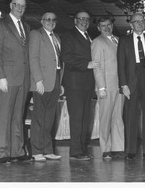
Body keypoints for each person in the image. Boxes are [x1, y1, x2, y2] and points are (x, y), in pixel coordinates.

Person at [0, 0, 34, 164]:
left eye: (23, 6)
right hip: (8, 78)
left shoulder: (26, 26)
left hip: (24, 78)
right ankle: (3, 152)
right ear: (11, 6)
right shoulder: (0, 25)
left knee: (18, 115)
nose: (20, 8)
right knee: (5, 115)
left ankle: (17, 151)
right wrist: (0, 77)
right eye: (17, 5)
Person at [117, 13, 145, 160]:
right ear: (131, 25)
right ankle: (130, 150)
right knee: (130, 116)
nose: (140, 24)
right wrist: (123, 84)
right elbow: (121, 64)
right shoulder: (124, 41)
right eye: (136, 22)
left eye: (142, 21)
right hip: (131, 81)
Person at [61, 11, 99, 161]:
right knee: (77, 118)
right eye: (81, 19)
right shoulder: (69, 35)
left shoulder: (89, 36)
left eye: (87, 19)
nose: (84, 21)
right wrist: (86, 64)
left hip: (87, 83)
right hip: (75, 83)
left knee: (84, 118)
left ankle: (82, 149)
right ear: (75, 21)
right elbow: (66, 56)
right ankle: (76, 151)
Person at [29, 12, 62, 161]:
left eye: (53, 20)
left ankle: (48, 150)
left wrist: (60, 83)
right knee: (39, 118)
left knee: (49, 118)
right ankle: (36, 152)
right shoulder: (36, 34)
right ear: (42, 21)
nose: (51, 22)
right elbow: (33, 57)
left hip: (55, 82)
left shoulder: (57, 37)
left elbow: (59, 62)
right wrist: (38, 80)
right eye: (48, 19)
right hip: (42, 82)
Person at [91, 17, 125, 160]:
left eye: (109, 25)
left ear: (113, 25)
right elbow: (97, 66)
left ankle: (118, 148)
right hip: (106, 86)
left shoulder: (119, 40)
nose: (106, 28)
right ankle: (105, 148)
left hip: (120, 86)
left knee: (118, 117)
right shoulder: (97, 42)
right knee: (105, 118)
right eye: (103, 25)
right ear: (98, 28)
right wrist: (101, 87)